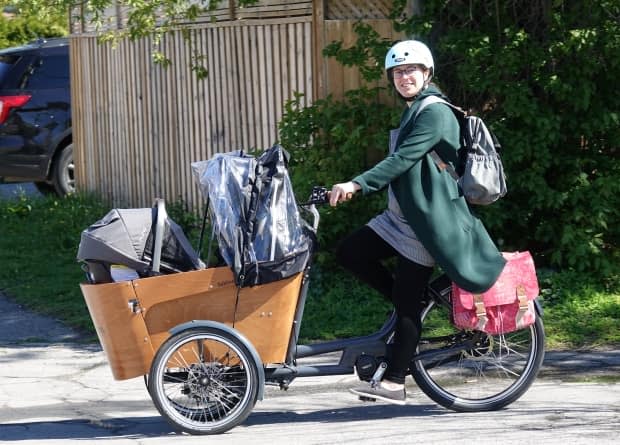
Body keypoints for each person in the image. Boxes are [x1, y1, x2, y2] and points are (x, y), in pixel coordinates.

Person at [329, 40, 506, 405]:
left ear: (427, 73)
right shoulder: (415, 110)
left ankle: (395, 381)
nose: (404, 77)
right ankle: (418, 299)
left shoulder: (435, 112)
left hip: (427, 223)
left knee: (407, 306)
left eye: (411, 70)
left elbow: (404, 159)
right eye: (397, 72)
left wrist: (356, 184)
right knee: (349, 252)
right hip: (401, 217)